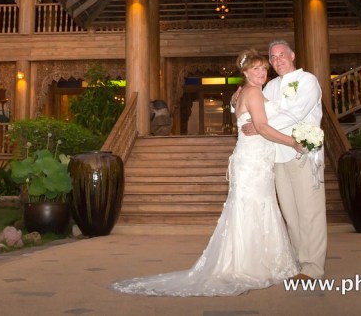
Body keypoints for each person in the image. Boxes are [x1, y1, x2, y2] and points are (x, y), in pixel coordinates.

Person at [111, 49, 300, 296]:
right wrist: (293, 142)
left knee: (254, 206)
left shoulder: (243, 92)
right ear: (245, 72)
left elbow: (257, 122)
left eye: (264, 68)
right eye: (256, 69)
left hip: (254, 158)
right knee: (254, 206)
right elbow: (263, 127)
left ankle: (253, 261)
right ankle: (251, 265)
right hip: (253, 160)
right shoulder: (252, 92)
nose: (262, 72)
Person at [241, 39, 327, 279]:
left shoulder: (308, 81)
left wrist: (260, 127)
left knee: (310, 212)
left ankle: (313, 267)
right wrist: (237, 98)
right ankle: (300, 262)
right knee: (290, 213)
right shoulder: (270, 87)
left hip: (302, 152)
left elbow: (295, 113)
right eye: (273, 57)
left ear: (292, 56)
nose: (278, 60)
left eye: (282, 55)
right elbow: (252, 106)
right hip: (277, 155)